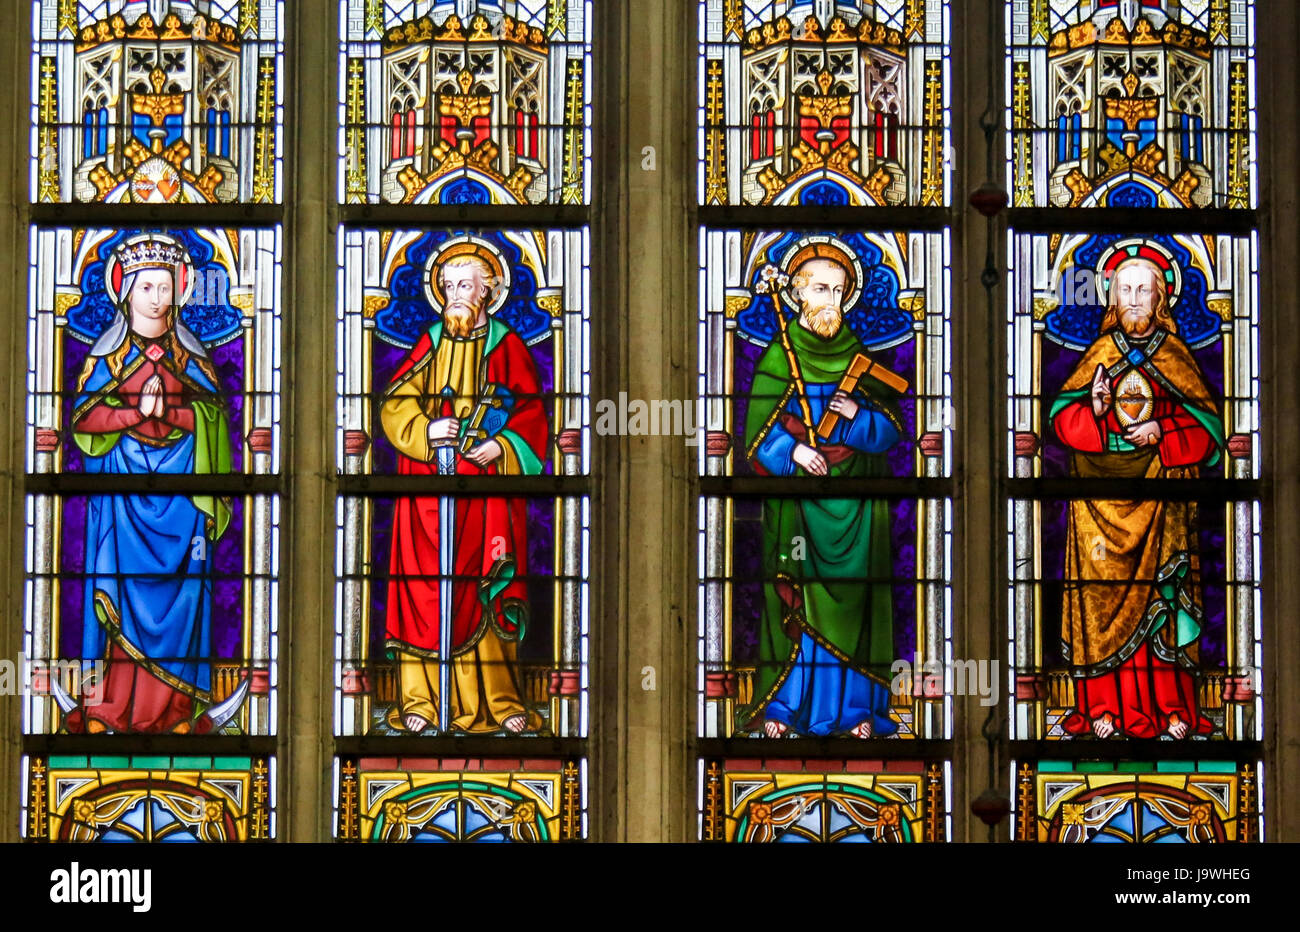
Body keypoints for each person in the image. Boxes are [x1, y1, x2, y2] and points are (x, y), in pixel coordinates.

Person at [64, 233, 233, 734]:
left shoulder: (191, 358)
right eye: (146, 288)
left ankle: (178, 712)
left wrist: (175, 416)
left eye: (165, 288)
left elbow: (213, 420)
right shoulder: (108, 359)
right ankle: (108, 710)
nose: (157, 298)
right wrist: (134, 414)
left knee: (185, 599)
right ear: (126, 292)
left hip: (183, 502)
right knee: (117, 594)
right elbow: (84, 423)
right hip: (122, 501)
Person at [1049, 254, 1223, 739]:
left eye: (1143, 290)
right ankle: (1101, 708)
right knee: (1100, 601)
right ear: (1110, 297)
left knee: (1161, 603)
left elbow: (1209, 431)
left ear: (1161, 297)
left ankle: (1172, 710)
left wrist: (1162, 430)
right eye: (1124, 290)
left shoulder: (1175, 355)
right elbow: (1062, 422)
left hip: (1160, 499)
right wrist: (1098, 411)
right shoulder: (1099, 352)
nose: (1133, 300)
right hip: (1097, 505)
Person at [380, 240, 548, 734]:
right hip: (426, 491)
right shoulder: (430, 343)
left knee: (486, 584)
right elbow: (395, 403)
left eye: (466, 286)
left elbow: (533, 412)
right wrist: (426, 432)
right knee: (422, 591)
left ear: (488, 291)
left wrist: (504, 446)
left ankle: (500, 702)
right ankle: (421, 704)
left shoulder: (507, 346)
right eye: (449, 286)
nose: (456, 294)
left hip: (488, 491)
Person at [740, 240, 904, 738]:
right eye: (819, 289)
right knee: (801, 601)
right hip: (799, 503)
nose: (830, 299)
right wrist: (793, 453)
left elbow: (891, 430)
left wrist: (855, 419)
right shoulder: (779, 357)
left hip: (856, 502)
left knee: (855, 606)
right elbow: (755, 437)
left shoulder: (858, 357)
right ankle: (788, 708)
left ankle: (858, 712)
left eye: (838, 289)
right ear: (797, 295)